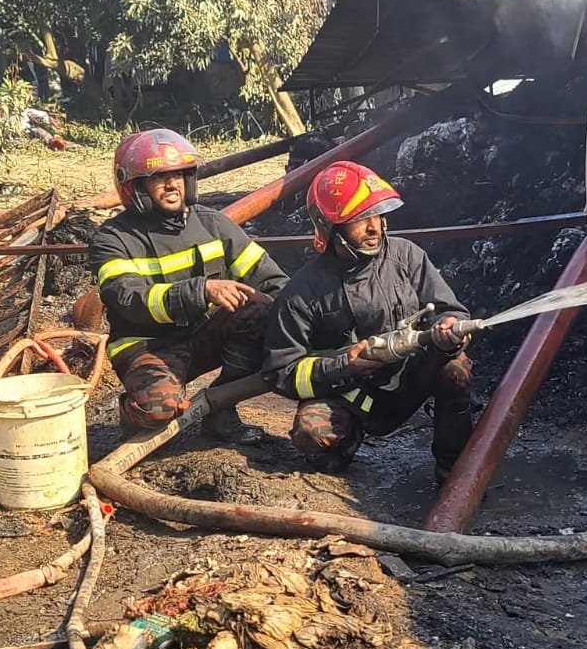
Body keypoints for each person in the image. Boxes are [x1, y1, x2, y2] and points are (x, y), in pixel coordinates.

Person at [261, 161, 474, 483]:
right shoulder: (303, 292)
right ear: (330, 228)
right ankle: (345, 443)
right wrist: (342, 367)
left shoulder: (406, 257)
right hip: (348, 395)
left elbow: (450, 309)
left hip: (408, 381)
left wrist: (449, 326)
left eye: (377, 214)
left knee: (455, 368)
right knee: (312, 436)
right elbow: (281, 371)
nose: (375, 227)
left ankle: (453, 469)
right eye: (361, 219)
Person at [88, 129, 289, 442]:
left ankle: (222, 410)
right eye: (159, 177)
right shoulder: (112, 239)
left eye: (179, 175)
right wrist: (201, 291)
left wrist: (307, 314)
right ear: (135, 187)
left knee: (264, 311)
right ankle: (135, 414)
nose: (172, 185)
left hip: (203, 336)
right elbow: (129, 299)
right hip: (149, 346)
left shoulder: (214, 224)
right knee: (158, 410)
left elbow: (271, 280)